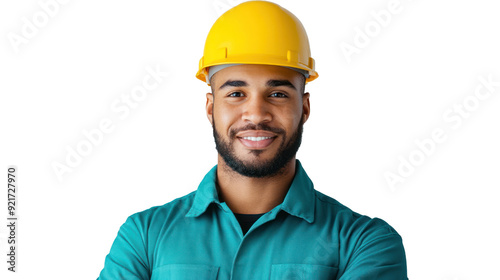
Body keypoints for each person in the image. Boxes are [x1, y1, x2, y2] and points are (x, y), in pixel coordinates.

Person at [97, 1, 407, 279]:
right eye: (235, 94)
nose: (256, 114)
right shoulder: (144, 237)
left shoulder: (365, 243)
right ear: (210, 108)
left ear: (305, 108)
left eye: (277, 94)